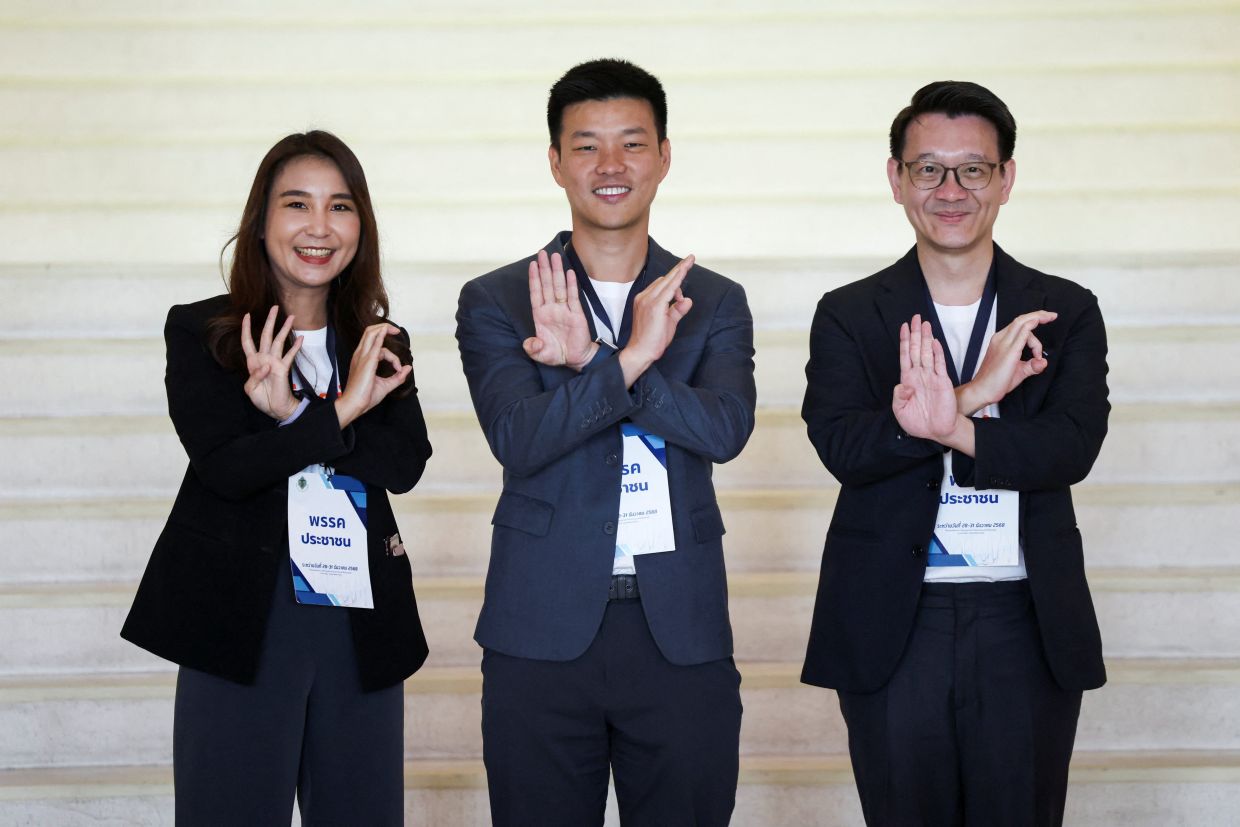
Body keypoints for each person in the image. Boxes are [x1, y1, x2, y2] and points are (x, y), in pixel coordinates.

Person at [455, 58, 756, 826]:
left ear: (663, 155)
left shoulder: (714, 299)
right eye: (587, 146)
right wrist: (627, 361)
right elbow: (519, 438)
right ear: (556, 162)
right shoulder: (498, 297)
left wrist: (596, 363)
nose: (611, 166)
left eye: (632, 143)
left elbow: (722, 430)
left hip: (678, 633)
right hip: (541, 627)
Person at [800, 81, 1110, 826]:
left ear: (1005, 178)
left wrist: (952, 426)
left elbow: (1071, 446)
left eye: (972, 169)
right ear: (896, 178)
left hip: (1022, 617)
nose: (950, 189)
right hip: (895, 620)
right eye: (928, 168)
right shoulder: (849, 313)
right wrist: (972, 395)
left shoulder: (1065, 310)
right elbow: (844, 446)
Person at [120, 130, 432, 826]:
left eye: (340, 207)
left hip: (358, 621)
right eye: (298, 204)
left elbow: (404, 462)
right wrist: (342, 411)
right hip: (241, 622)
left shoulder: (380, 342)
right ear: (261, 221)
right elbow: (227, 467)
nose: (319, 227)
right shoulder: (207, 332)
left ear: (361, 226)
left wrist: (295, 413)